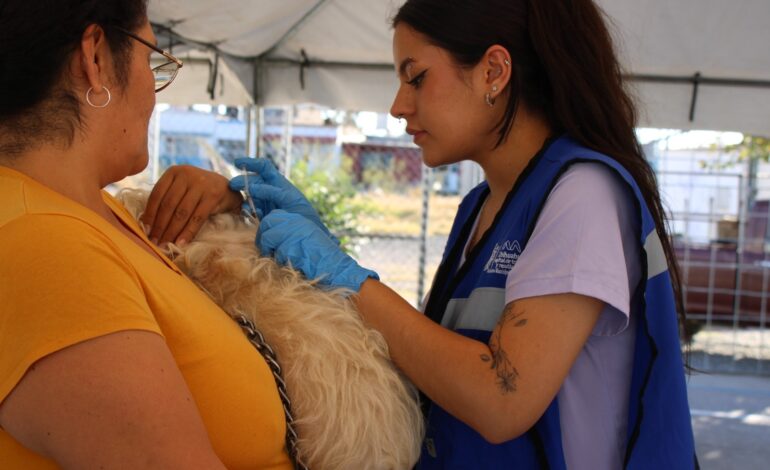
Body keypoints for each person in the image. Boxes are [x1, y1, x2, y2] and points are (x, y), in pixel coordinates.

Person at [146, 0, 698, 469]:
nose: (398, 105)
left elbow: (500, 398)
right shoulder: (482, 207)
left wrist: (348, 279)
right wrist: (260, 228)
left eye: (416, 77)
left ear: (494, 72)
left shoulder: (583, 196)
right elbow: (433, 365)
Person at [0, 1, 293, 468]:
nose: (156, 93)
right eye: (150, 59)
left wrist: (230, 208)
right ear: (95, 59)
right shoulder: (44, 245)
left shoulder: (94, 214)